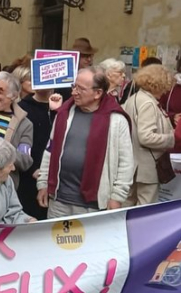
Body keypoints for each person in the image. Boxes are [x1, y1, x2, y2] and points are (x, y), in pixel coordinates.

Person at [37, 67, 134, 217]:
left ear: (98, 93)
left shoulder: (116, 120)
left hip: (94, 206)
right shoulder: (63, 114)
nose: (74, 92)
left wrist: (117, 197)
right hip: (59, 201)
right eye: (73, 86)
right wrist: (43, 183)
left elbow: (126, 163)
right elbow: (50, 150)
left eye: (80, 89)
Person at [122, 64, 175, 206]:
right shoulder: (148, 103)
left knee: (127, 207)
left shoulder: (133, 98)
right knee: (145, 211)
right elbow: (146, 137)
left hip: (133, 165)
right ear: (159, 84)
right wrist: (172, 138)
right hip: (146, 168)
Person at [17, 86, 56, 220]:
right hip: (28, 177)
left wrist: (57, 111)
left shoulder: (64, 108)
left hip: (55, 178)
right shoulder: (21, 108)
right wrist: (31, 169)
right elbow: (17, 142)